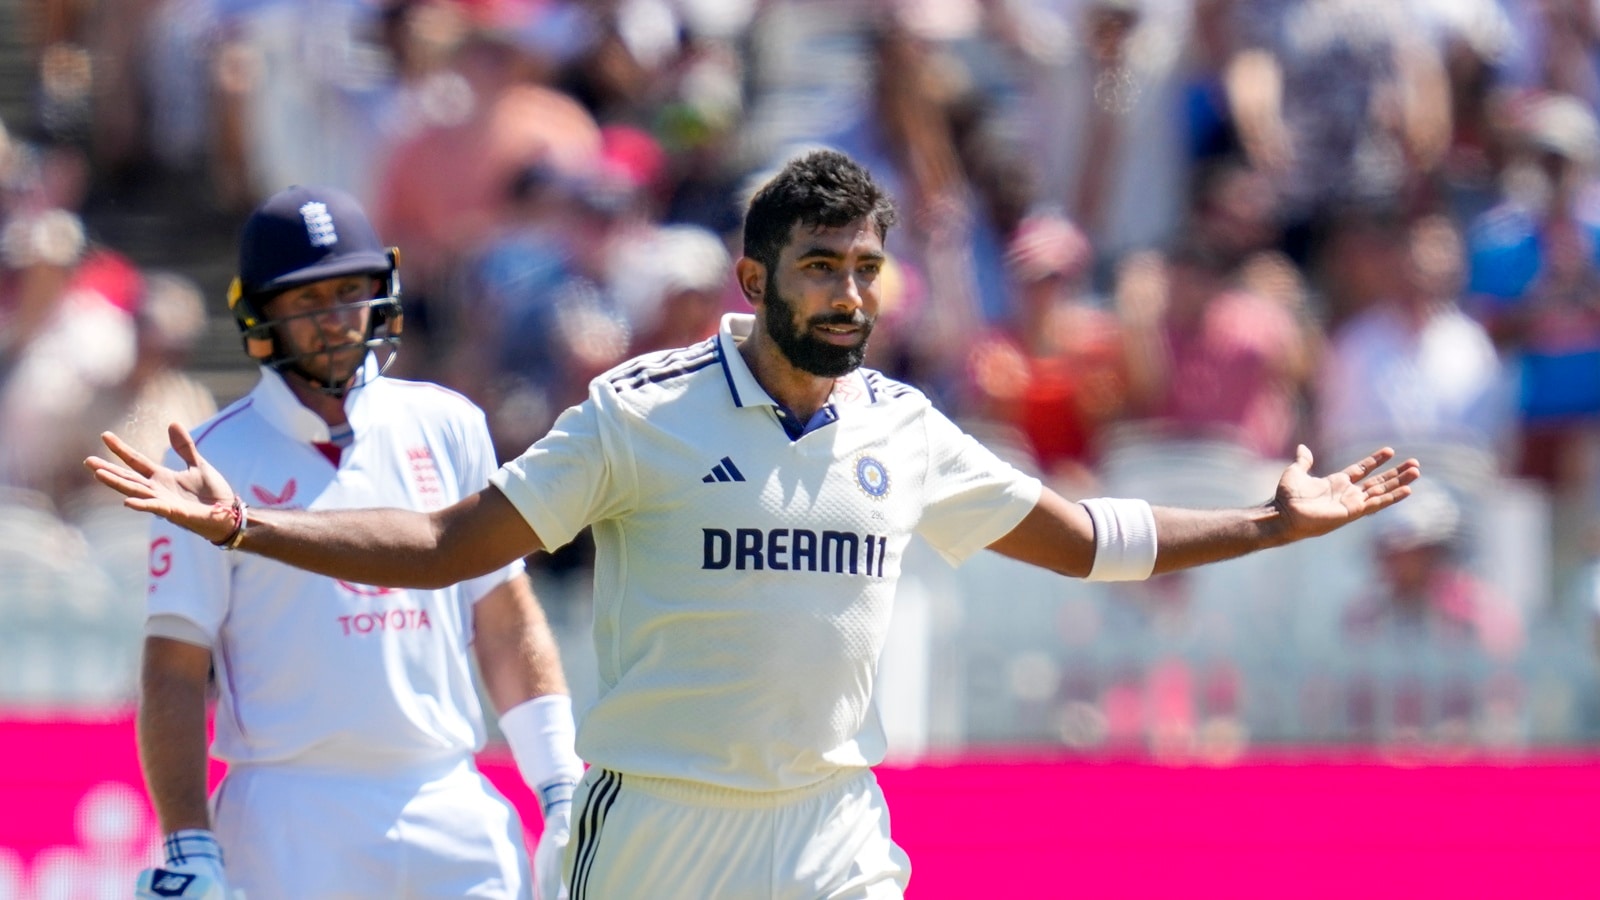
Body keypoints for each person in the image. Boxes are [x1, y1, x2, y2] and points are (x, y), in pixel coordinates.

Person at [89, 152, 1420, 899]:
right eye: (821, 269)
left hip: (832, 820)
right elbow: (451, 553)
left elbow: (1080, 538)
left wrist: (1263, 523)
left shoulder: (901, 423)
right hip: (659, 827)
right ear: (755, 279)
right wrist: (250, 534)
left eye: (865, 270)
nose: (848, 296)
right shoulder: (638, 413)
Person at [121, 185, 582, 900]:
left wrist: (558, 787)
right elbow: (176, 671)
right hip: (286, 812)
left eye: (350, 292)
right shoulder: (208, 462)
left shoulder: (449, 423)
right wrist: (188, 842)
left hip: (445, 793)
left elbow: (504, 617)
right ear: (262, 311)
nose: (336, 321)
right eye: (308, 301)